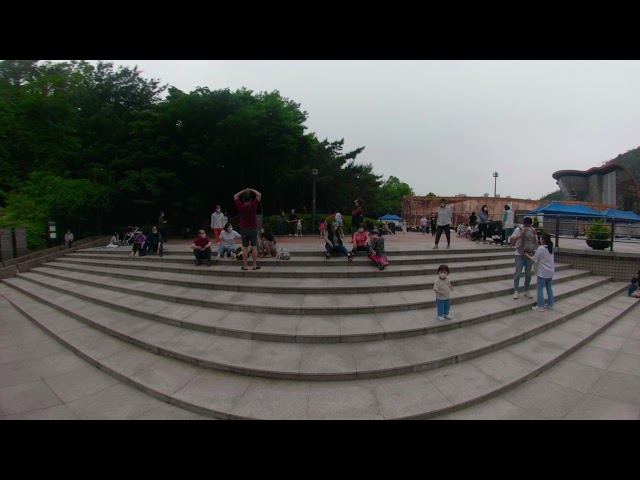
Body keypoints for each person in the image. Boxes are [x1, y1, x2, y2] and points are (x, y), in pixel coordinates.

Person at [234, 187, 262, 270]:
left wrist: (244, 191)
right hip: (253, 229)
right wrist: (251, 190)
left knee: (245, 248)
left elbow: (235, 196)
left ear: (243, 200)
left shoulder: (240, 206)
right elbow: (259, 194)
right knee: (254, 247)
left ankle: (245, 266)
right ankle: (254, 265)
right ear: (250, 199)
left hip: (243, 230)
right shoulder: (253, 205)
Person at [526, 233, 555, 311]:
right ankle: (550, 304)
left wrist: (527, 255)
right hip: (550, 271)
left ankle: (540, 306)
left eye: (541, 238)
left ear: (543, 240)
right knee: (549, 288)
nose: (540, 240)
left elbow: (535, 259)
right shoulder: (550, 248)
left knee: (540, 289)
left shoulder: (541, 248)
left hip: (543, 272)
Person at [511, 217, 538, 300]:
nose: (528, 227)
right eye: (527, 225)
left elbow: (536, 242)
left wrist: (535, 237)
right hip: (519, 254)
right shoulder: (518, 229)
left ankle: (527, 290)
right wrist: (521, 235)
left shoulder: (532, 230)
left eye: (529, 225)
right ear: (524, 223)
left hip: (529, 254)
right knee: (518, 273)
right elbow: (512, 239)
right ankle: (516, 290)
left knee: (528, 274)